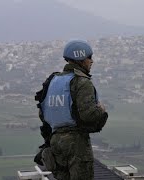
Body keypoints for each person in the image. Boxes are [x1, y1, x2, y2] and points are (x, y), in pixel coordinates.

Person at [34, 40, 108, 180]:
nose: (92, 61)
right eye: (89, 57)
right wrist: (101, 110)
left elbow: (43, 112)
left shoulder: (53, 81)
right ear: (80, 58)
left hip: (55, 142)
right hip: (76, 143)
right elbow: (88, 115)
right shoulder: (82, 82)